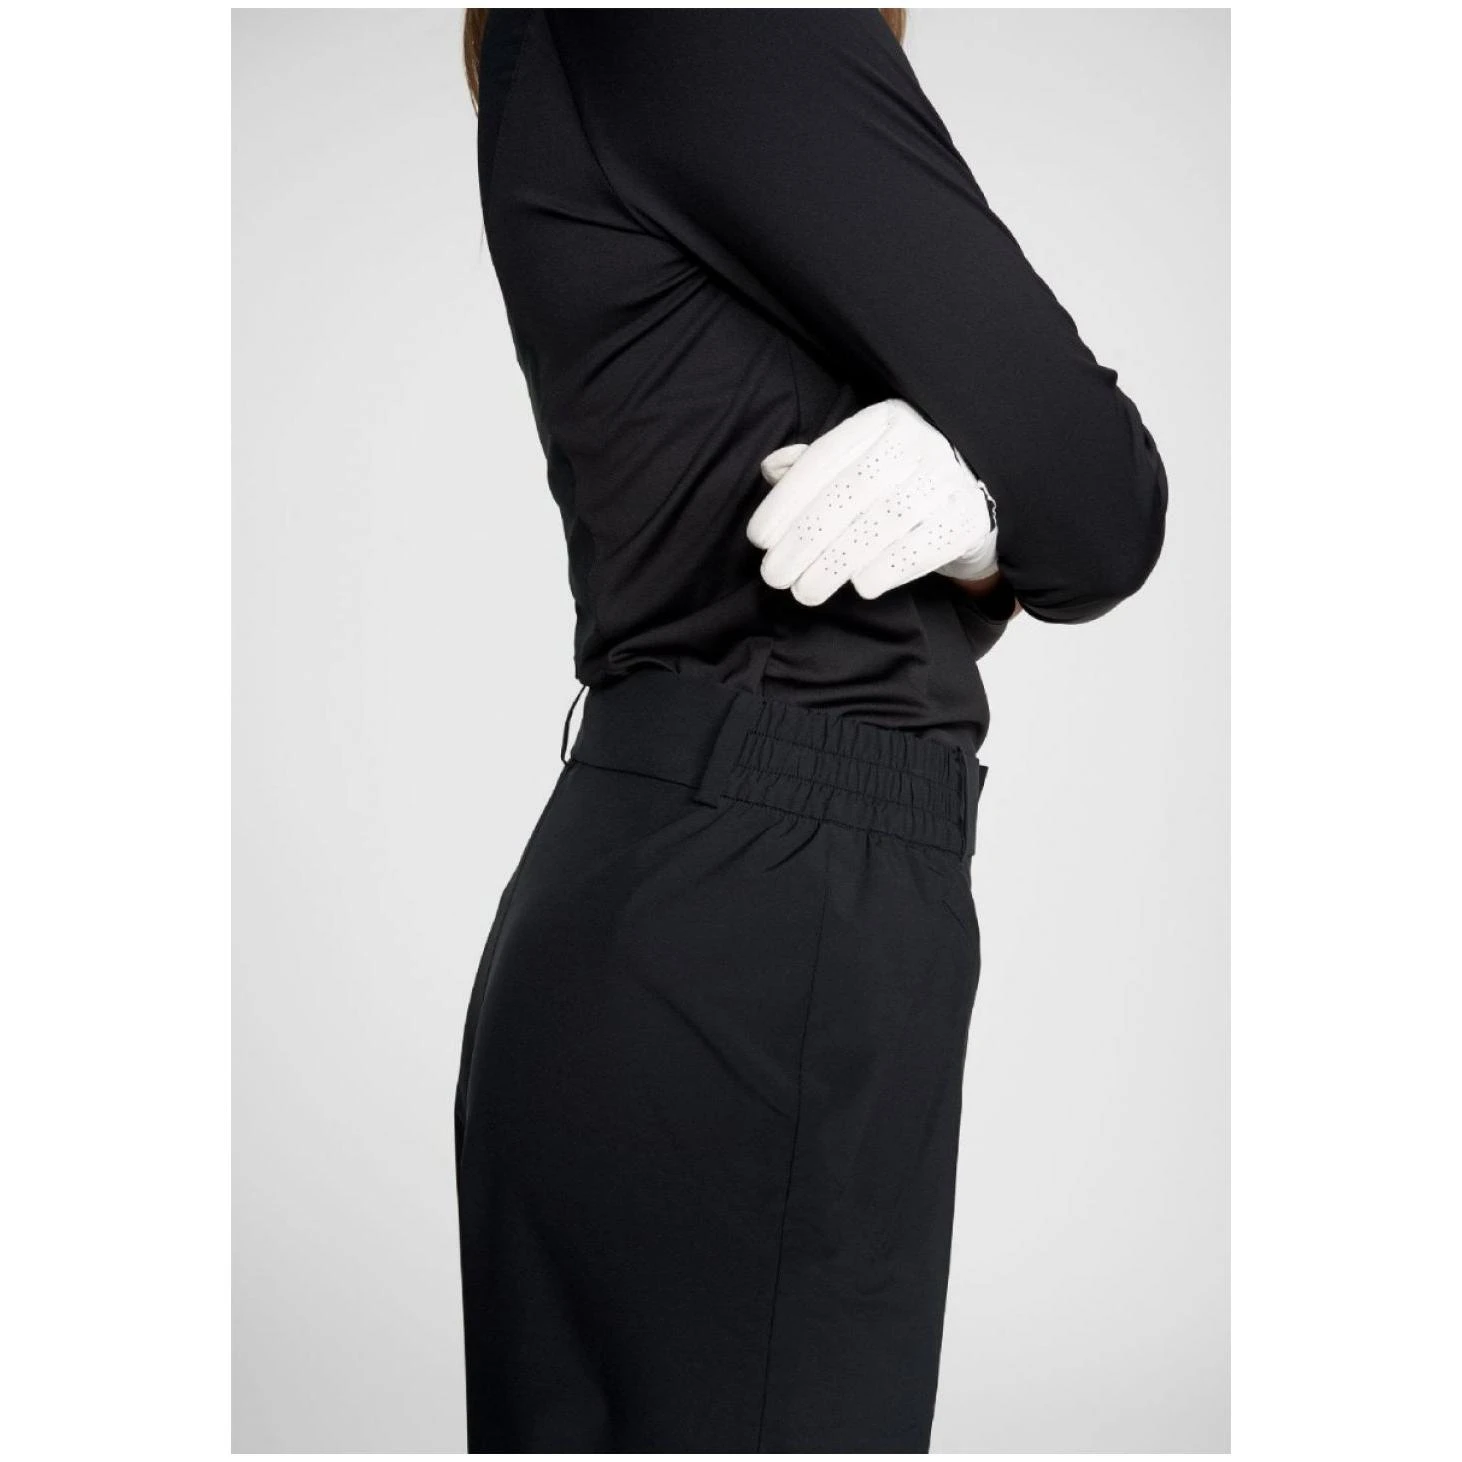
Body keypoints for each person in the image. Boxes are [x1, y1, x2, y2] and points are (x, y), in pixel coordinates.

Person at [454, 8, 1166, 1452]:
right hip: (771, 911)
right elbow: (1102, 503)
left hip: (678, 878)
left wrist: (974, 535)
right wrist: (1003, 509)